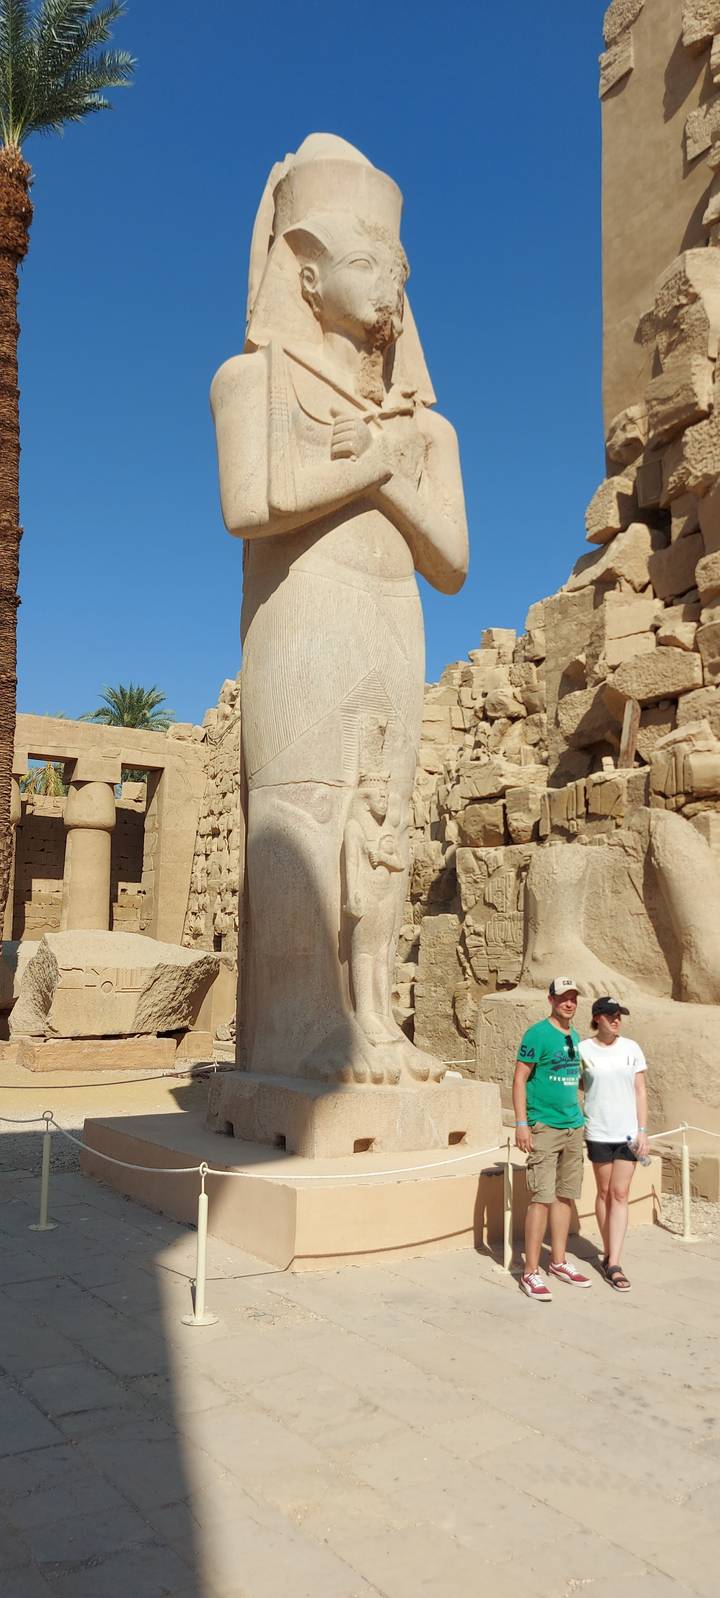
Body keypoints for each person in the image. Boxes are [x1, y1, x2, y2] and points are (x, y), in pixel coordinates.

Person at [513, 978, 591, 1301]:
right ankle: (530, 1270)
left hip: (573, 1125)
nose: (569, 1003)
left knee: (565, 1196)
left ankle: (558, 1261)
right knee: (541, 1198)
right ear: (551, 1000)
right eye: (563, 998)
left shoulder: (574, 1035)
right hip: (545, 1125)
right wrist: (522, 1123)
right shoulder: (536, 1034)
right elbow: (519, 1077)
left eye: (573, 998)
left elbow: (577, 1079)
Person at [580, 998, 649, 1292]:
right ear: (598, 1018)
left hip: (628, 1134)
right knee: (605, 1191)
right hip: (598, 1130)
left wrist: (643, 1130)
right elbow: (579, 1085)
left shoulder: (631, 1048)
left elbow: (640, 1090)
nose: (616, 1020)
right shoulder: (583, 1049)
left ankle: (614, 1262)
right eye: (611, 1016)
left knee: (621, 1194)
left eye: (619, 1015)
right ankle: (608, 1249)